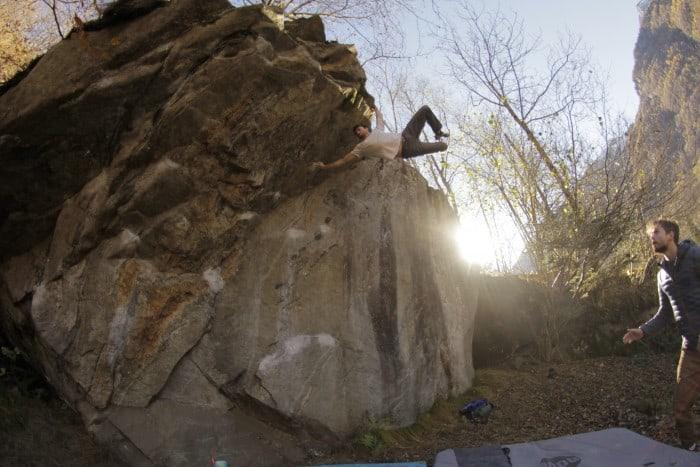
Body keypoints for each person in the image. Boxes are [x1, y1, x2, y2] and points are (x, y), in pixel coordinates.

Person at [623, 219, 700, 449]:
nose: (652, 238)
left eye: (656, 232)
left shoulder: (695, 256)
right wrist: (642, 331)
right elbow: (665, 313)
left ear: (671, 235)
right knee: (680, 408)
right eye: (650, 235)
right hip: (691, 348)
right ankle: (691, 451)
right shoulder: (661, 276)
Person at [311, 105, 450, 171]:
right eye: (356, 133)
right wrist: (325, 166)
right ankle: (441, 142)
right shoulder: (361, 148)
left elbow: (380, 118)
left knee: (425, 110)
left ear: (366, 128)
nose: (358, 133)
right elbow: (343, 160)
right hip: (408, 149)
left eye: (359, 129)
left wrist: (375, 109)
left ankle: (438, 131)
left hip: (406, 135)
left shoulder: (378, 130)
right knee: (443, 146)